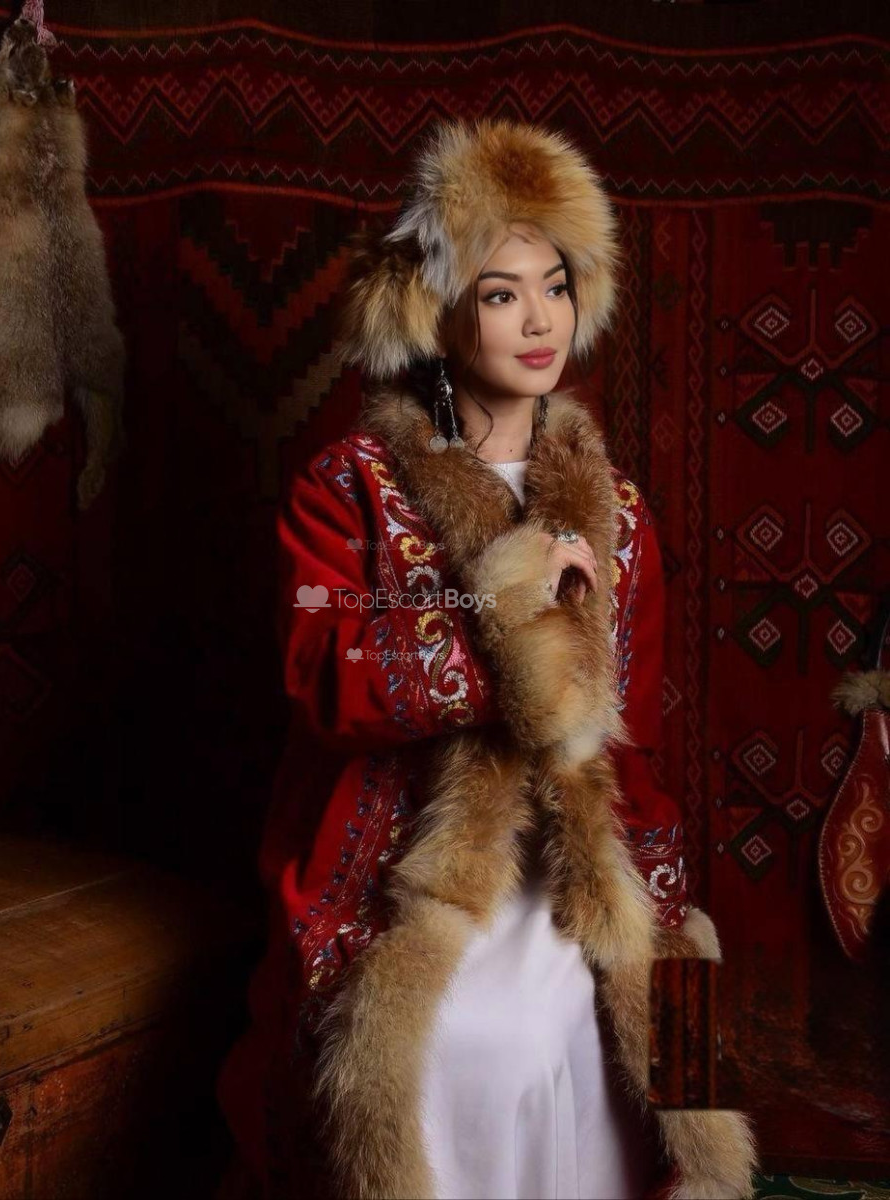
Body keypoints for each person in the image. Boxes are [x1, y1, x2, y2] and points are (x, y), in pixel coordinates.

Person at [217, 119, 756, 1200]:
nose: (539, 318)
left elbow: (633, 734)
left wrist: (663, 901)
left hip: (577, 855)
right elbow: (323, 666)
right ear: (440, 306)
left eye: (555, 286)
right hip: (408, 857)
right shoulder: (348, 486)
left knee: (667, 1037)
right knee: (481, 1049)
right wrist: (503, 614)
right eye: (502, 293)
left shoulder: (621, 512)